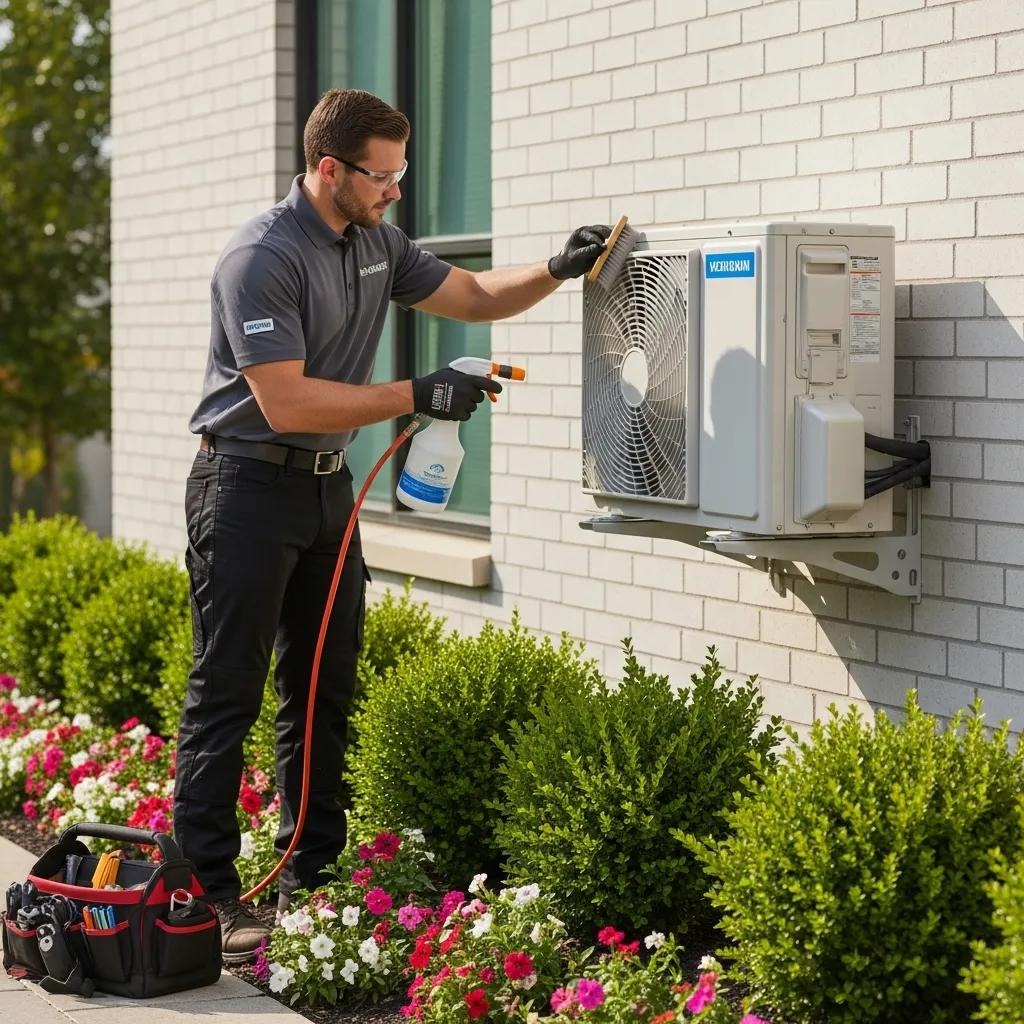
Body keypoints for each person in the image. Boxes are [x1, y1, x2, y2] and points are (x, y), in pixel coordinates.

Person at [173, 87, 611, 963]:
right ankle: (206, 895)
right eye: (382, 175)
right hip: (246, 487)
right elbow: (287, 399)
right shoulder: (261, 257)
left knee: (323, 688)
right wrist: (415, 393)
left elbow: (477, 294)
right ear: (329, 169)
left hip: (330, 492)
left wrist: (559, 269)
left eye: (402, 173)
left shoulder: (376, 240)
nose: (396, 191)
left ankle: (312, 878)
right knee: (229, 691)